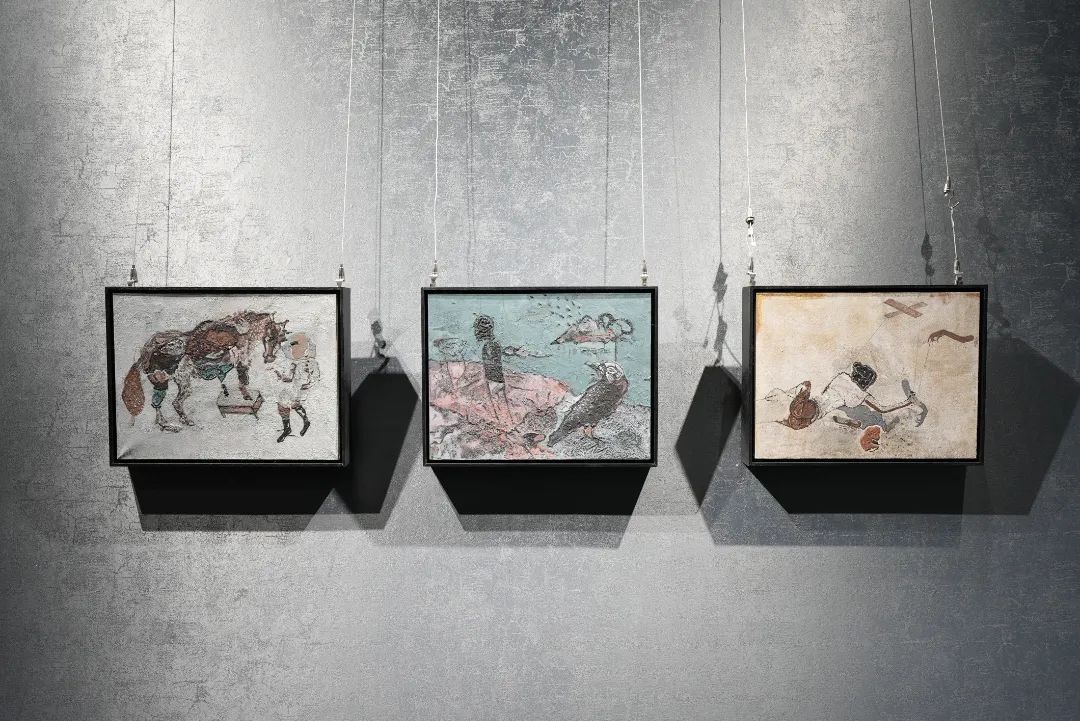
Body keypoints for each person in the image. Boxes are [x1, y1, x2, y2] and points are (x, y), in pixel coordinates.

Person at [771, 361, 918, 432]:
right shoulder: (861, 394)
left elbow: (826, 389)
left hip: (814, 405)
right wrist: (908, 402)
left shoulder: (843, 377)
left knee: (806, 386)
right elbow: (883, 409)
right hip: (816, 413)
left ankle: (790, 400)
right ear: (867, 383)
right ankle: (791, 408)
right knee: (795, 421)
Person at [273, 332, 320, 443]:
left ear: (305, 349)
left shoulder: (311, 363)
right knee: (282, 404)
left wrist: (308, 385)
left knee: (289, 404)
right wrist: (281, 376)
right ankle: (290, 427)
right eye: (293, 348)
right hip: (293, 388)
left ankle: (297, 425)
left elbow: (316, 378)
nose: (293, 351)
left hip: (302, 390)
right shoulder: (294, 362)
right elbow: (289, 377)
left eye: (297, 348)